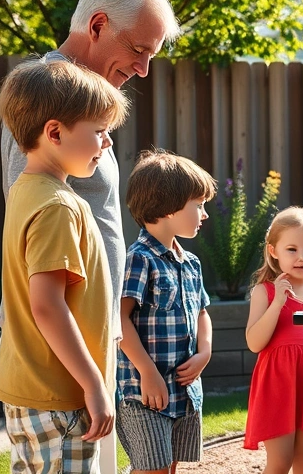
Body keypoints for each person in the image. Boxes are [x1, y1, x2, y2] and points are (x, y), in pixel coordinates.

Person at [0, 0, 179, 474]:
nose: (144, 70)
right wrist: (89, 378)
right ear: (97, 26)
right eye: (139, 50)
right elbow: (38, 248)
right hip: (62, 364)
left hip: (85, 344)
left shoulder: (80, 105)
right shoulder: (51, 100)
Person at [0, 59, 129, 473]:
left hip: (32, 389)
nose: (107, 144)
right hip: (58, 397)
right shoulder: (57, 207)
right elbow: (48, 306)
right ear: (55, 132)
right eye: (100, 132)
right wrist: (94, 385)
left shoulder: (26, 190)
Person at [116, 149, 217, 474]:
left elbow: (202, 312)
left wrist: (205, 352)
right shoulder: (140, 259)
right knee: (152, 469)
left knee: (169, 467)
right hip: (145, 391)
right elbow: (119, 318)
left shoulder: (191, 263)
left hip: (182, 389)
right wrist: (148, 372)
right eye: (198, 205)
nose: (204, 214)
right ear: (167, 206)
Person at [243, 207, 303, 474]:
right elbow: (254, 343)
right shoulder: (265, 291)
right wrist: (278, 303)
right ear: (273, 251)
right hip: (278, 385)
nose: (301, 257)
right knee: (280, 462)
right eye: (291, 249)